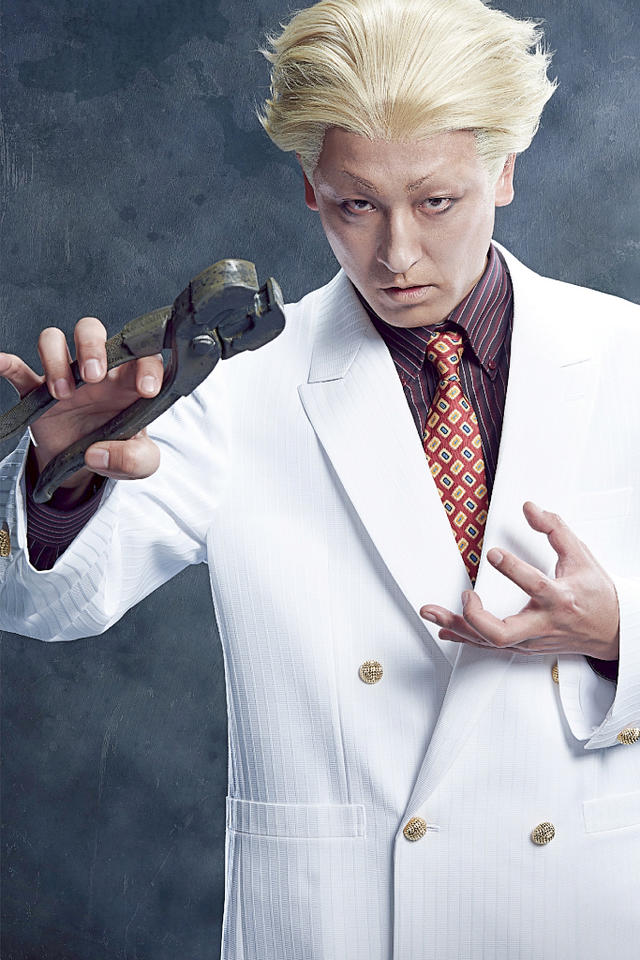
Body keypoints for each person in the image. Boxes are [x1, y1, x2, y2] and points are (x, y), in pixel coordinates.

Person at [1, 0, 639, 957]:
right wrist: (59, 472)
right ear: (310, 188)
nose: (397, 255)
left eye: (436, 202)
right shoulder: (234, 385)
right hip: (335, 925)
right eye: (356, 205)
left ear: (504, 170)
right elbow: (43, 606)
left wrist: (620, 632)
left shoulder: (630, 354)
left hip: (581, 914)